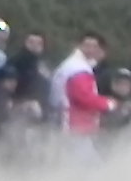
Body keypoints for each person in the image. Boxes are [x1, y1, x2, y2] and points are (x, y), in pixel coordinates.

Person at [50, 30, 116, 161]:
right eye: (87, 45)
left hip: (68, 124)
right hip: (74, 126)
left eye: (94, 46)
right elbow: (83, 97)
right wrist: (108, 104)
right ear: (78, 46)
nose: (90, 50)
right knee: (88, 166)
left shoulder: (72, 65)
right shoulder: (78, 68)